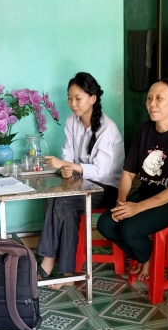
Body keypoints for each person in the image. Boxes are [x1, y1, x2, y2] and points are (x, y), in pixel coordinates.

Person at [97, 79, 168, 281]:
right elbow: (128, 173)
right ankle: (145, 255)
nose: (152, 104)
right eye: (149, 98)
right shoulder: (144, 130)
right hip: (148, 193)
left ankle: (148, 257)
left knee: (130, 229)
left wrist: (137, 208)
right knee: (106, 224)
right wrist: (121, 203)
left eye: (159, 98)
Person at [39, 72, 124, 278]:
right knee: (60, 200)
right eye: (69, 98)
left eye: (78, 98)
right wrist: (67, 168)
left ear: (92, 98)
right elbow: (68, 153)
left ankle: (49, 260)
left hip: (107, 188)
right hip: (82, 183)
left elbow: (101, 171)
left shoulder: (107, 128)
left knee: (63, 201)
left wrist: (69, 165)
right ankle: (67, 272)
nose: (72, 103)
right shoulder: (72, 121)